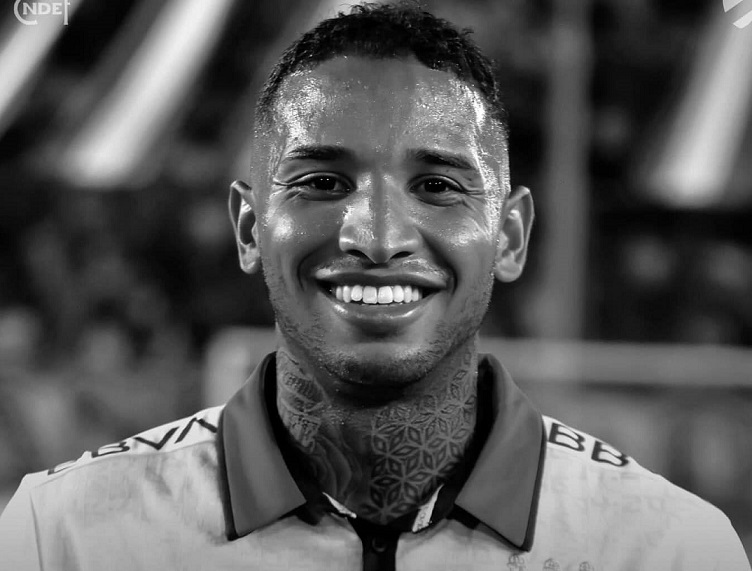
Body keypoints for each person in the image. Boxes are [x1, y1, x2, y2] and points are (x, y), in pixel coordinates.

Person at [1, 3, 749, 570]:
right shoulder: (62, 534)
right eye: (323, 181)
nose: (379, 236)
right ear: (250, 228)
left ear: (511, 236)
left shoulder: (670, 548)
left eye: (437, 185)